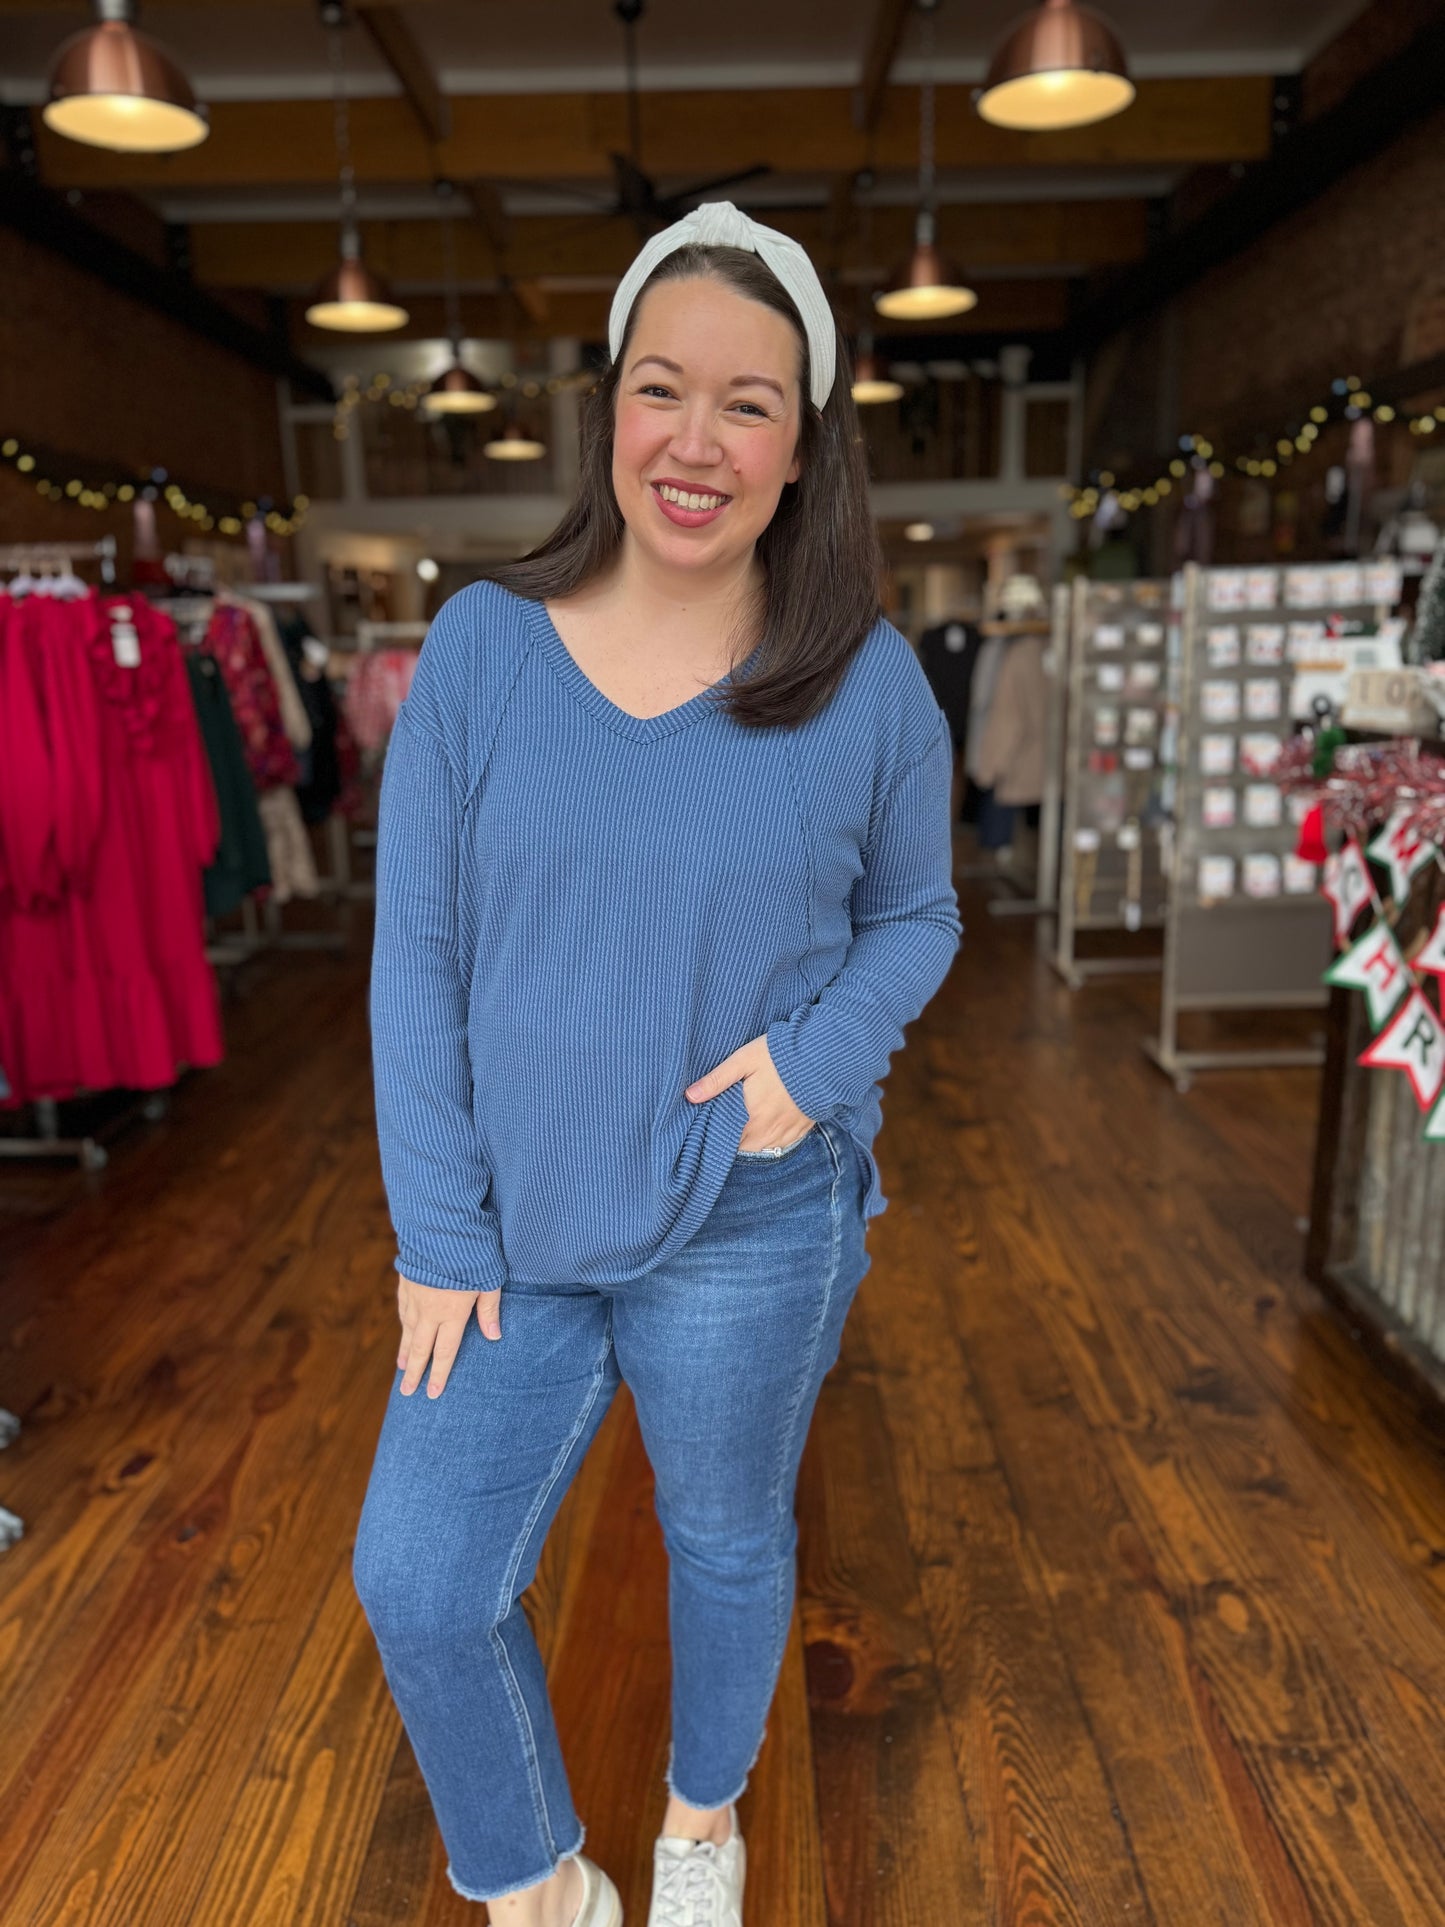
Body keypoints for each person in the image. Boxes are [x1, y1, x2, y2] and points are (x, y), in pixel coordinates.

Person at [352, 201, 963, 1927]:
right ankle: (538, 1882)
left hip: (757, 1209)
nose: (694, 441)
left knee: (721, 1536)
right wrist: (437, 1230)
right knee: (418, 1574)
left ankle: (702, 1830)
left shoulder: (866, 683)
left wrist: (807, 1069)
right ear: (608, 410)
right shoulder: (479, 649)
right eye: (658, 387)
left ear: (802, 445)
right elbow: (419, 961)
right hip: (513, 1223)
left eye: (748, 402)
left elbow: (918, 918)